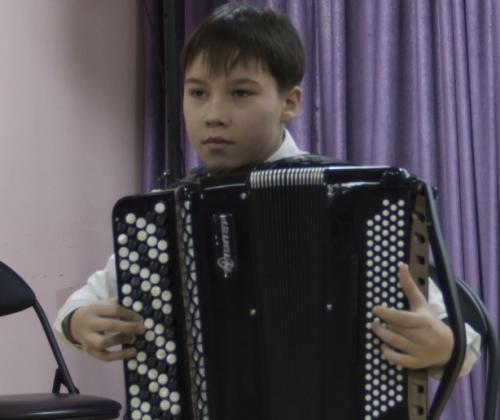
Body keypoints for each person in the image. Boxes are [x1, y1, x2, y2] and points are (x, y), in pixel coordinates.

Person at [54, 2, 480, 376]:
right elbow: (84, 302)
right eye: (197, 92)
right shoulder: (168, 215)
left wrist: (445, 347)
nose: (213, 114)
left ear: (289, 103)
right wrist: (79, 322)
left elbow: (464, 340)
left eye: (241, 93)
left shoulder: (357, 202)